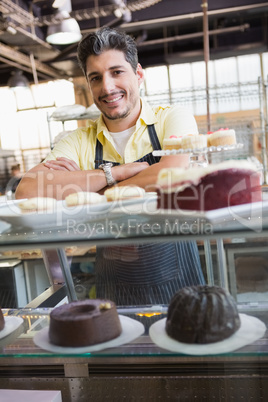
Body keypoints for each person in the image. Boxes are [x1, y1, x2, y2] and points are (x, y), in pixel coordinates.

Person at [16, 27, 205, 305]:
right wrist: (113, 173)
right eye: (96, 77)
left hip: (180, 281)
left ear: (138, 74)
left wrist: (91, 194)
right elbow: (27, 191)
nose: (107, 87)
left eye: (117, 72)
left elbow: (171, 174)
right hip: (114, 287)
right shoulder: (79, 140)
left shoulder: (173, 120)